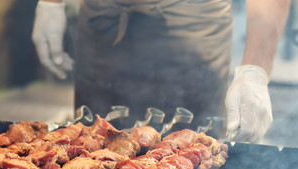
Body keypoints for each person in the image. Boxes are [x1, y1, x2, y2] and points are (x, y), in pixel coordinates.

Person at [32, 0, 291, 143]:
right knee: (91, 144)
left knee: (195, 160)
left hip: (194, 25)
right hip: (105, 20)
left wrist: (255, 70)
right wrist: (51, 3)